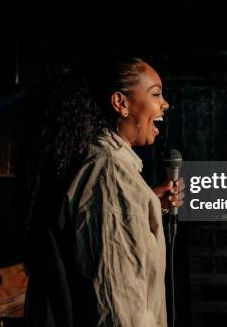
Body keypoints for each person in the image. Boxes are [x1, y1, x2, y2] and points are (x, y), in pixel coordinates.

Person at [24, 56, 185, 327]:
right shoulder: (109, 173)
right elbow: (117, 302)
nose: (164, 103)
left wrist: (147, 206)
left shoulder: (108, 166)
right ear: (121, 103)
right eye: (156, 94)